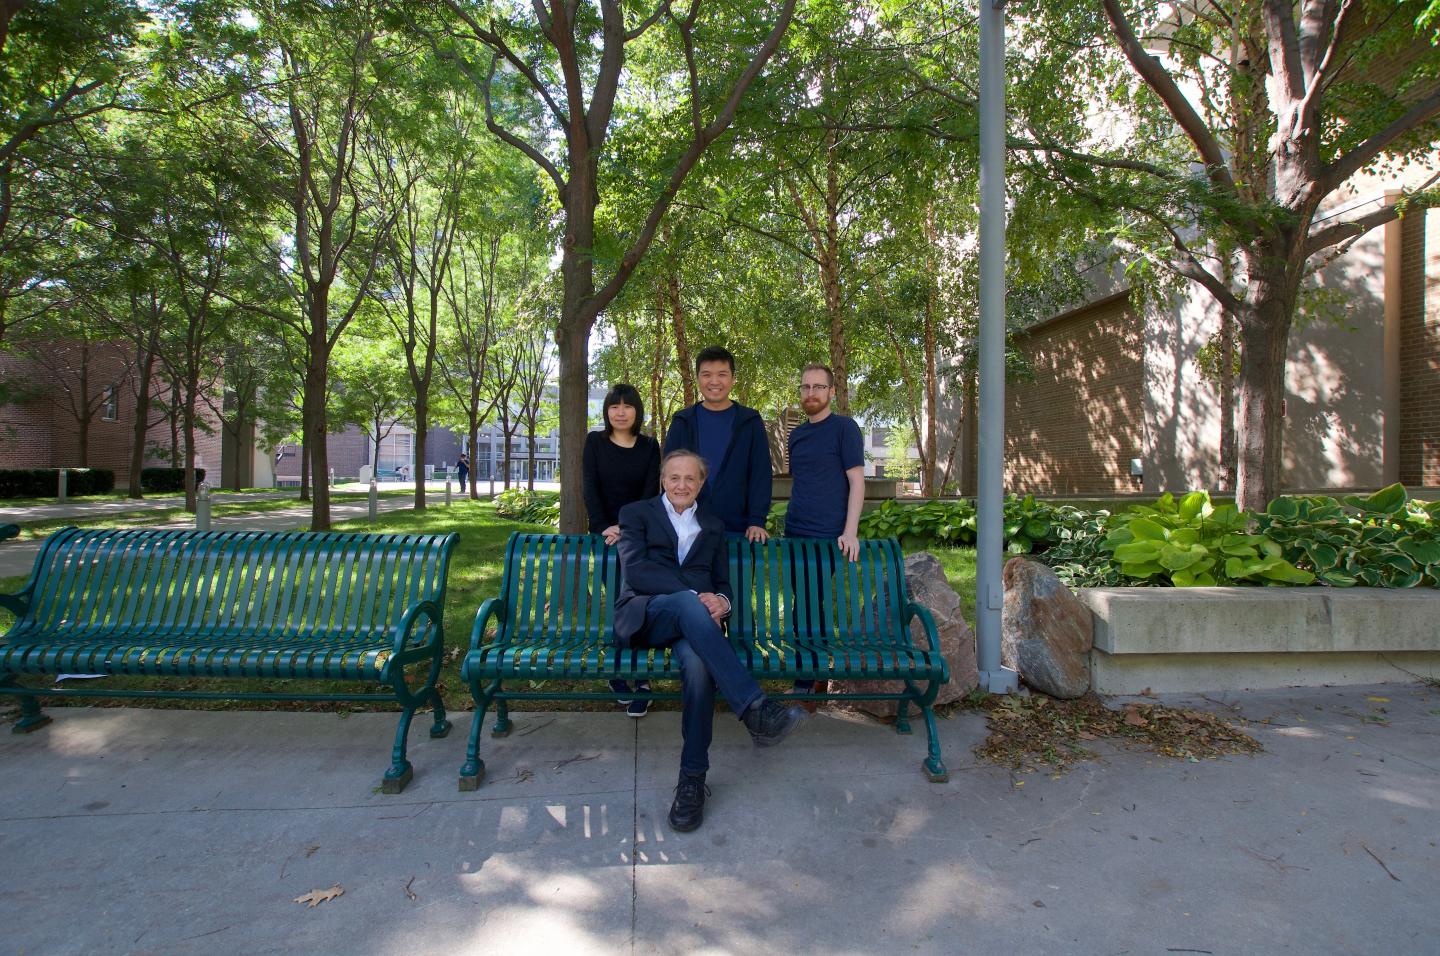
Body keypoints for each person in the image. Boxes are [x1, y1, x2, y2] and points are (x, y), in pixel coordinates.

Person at [615, 449, 806, 832]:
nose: (681, 485)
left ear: (701, 483)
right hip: (647, 615)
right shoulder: (635, 515)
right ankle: (754, 707)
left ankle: (692, 780)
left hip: (695, 625)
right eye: (674, 478)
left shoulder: (713, 525)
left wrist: (721, 601)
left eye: (690, 479)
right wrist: (694, 596)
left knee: (700, 666)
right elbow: (637, 571)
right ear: (663, 481)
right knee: (688, 604)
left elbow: (721, 585)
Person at [784, 363, 866, 693]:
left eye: (818, 387)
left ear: (831, 392)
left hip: (827, 534)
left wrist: (850, 531)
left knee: (806, 603)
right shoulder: (797, 435)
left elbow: (857, 483)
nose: (811, 393)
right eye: (805, 387)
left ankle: (809, 680)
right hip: (795, 531)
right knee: (800, 602)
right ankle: (812, 675)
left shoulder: (845, 429)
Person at [583, 383, 662, 717]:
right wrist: (605, 526)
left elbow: (648, 493)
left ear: (636, 411)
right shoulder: (594, 442)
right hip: (605, 536)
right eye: (614, 406)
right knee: (618, 602)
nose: (620, 411)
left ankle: (642, 681)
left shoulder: (649, 446)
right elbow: (591, 487)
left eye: (627, 406)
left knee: (640, 604)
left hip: (638, 537)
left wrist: (628, 528)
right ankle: (618, 671)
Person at [663, 346, 772, 542]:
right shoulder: (683, 421)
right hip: (687, 530)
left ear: (732, 379)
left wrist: (757, 520)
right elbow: (667, 475)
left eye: (722, 374)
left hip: (740, 531)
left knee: (738, 574)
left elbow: (760, 475)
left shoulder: (750, 422)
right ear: (698, 379)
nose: (714, 381)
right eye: (706, 375)